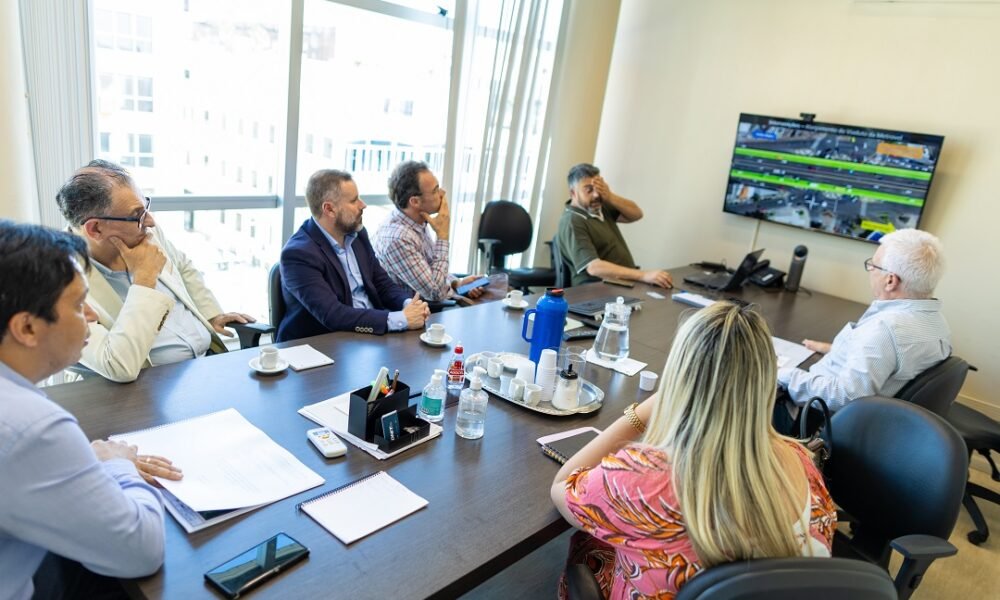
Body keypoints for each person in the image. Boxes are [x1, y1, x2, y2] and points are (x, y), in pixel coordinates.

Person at [551, 301, 835, 599]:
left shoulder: (641, 481)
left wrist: (642, 413)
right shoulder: (804, 464)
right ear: (765, 384)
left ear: (679, 378)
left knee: (591, 540)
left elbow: (561, 485)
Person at [0, 221, 182, 600]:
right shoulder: (32, 427)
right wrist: (120, 464)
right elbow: (142, 551)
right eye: (79, 304)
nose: (93, 316)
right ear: (28, 328)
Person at [55, 160, 255, 383]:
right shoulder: (58, 280)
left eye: (145, 207)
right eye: (137, 214)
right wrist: (145, 279)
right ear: (96, 228)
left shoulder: (142, 230)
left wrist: (211, 314)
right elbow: (118, 366)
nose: (150, 221)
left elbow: (182, 265)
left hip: (203, 367)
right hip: (138, 394)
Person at [774, 229, 951, 434]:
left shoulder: (884, 330)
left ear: (890, 280)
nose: (870, 270)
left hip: (814, 421)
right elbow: (890, 359)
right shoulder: (937, 322)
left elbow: (845, 397)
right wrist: (836, 348)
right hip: (888, 425)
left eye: (873, 265)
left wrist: (783, 374)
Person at [277, 169, 428, 341]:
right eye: (354, 200)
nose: (362, 205)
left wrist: (409, 306)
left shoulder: (357, 235)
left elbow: (382, 283)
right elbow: (333, 315)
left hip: (371, 335)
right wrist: (401, 319)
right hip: (324, 345)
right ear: (329, 209)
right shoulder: (298, 255)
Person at [373, 161, 486, 302]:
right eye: (435, 190)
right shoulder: (398, 238)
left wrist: (457, 283)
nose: (442, 193)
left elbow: (431, 267)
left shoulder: (415, 220)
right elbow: (435, 293)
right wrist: (443, 235)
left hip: (436, 301)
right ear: (415, 202)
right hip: (423, 313)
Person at [555, 163, 672, 288]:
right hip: (596, 288)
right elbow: (594, 268)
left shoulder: (598, 207)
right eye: (589, 190)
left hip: (622, 282)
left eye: (598, 188)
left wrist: (609, 196)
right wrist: (643, 275)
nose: (596, 195)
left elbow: (636, 214)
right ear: (573, 193)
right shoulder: (572, 221)